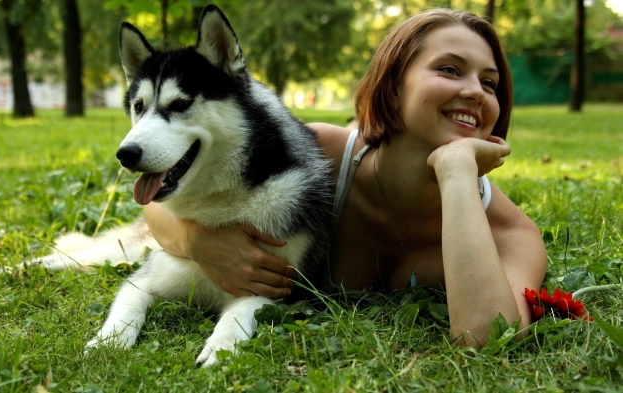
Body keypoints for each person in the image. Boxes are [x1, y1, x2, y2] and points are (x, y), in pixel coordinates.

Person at [143, 9, 547, 348]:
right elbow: (157, 210)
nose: (476, 91)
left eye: (490, 83)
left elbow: (486, 338)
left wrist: (457, 171)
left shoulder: (509, 231)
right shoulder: (319, 151)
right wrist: (198, 242)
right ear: (392, 89)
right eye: (449, 69)